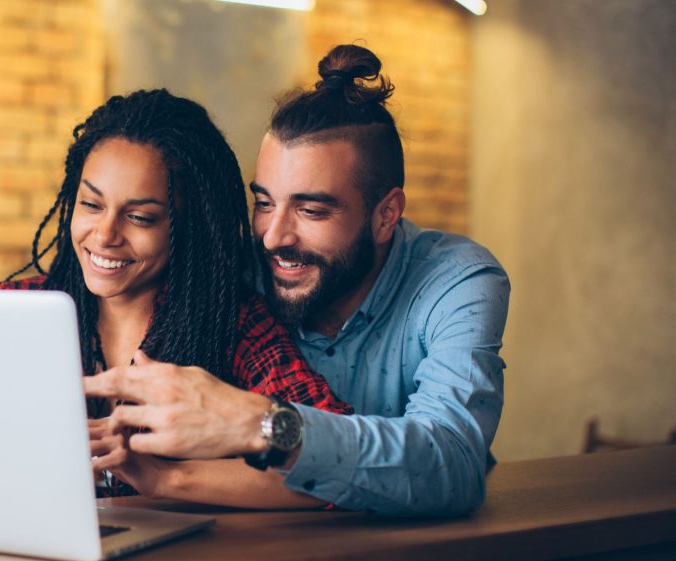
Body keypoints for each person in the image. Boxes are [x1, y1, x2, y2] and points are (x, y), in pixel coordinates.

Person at [84, 45, 510, 517]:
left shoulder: (456, 281)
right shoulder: (233, 277)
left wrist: (261, 424)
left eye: (311, 210)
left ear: (386, 214)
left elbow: (450, 466)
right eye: (264, 203)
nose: (273, 238)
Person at [0, 89, 352, 508]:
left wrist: (167, 477)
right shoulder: (16, 309)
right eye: (91, 204)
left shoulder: (232, 326)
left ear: (187, 229)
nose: (105, 235)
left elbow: (336, 465)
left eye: (140, 217)